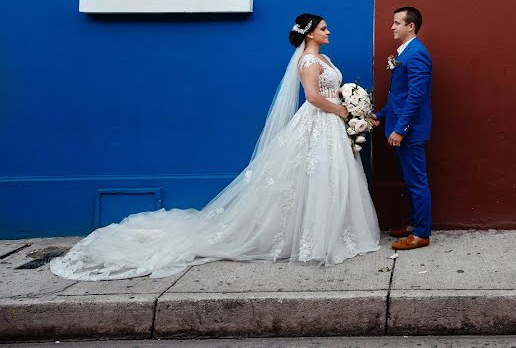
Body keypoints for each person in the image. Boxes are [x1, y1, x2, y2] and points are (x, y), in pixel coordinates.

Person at [51, 14, 380, 280]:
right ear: (310, 34)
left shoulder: (324, 57)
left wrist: (354, 105)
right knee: (314, 175)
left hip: (330, 123)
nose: (328, 31)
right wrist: (340, 109)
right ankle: (313, 241)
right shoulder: (308, 62)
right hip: (317, 121)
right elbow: (311, 96)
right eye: (323, 28)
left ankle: (333, 233)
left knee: (330, 178)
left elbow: (332, 90)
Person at [372, 6, 433, 250]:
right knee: (411, 181)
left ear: (411, 26)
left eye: (397, 22)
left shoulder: (417, 54)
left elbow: (415, 97)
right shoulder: (405, 53)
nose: (392, 26)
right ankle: (414, 225)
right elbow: (399, 96)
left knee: (417, 182)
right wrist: (379, 116)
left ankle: (421, 234)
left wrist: (400, 129)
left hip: (411, 132)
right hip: (401, 126)